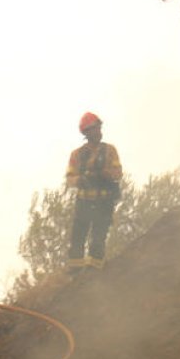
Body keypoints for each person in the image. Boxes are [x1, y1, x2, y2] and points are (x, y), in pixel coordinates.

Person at [66, 111, 122, 270]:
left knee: (98, 241)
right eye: (95, 129)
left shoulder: (110, 150)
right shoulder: (76, 155)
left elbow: (118, 172)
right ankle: (74, 276)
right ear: (86, 132)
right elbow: (70, 178)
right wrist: (81, 181)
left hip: (104, 203)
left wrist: (106, 175)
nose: (99, 132)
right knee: (77, 240)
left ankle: (93, 275)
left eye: (99, 128)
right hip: (83, 203)